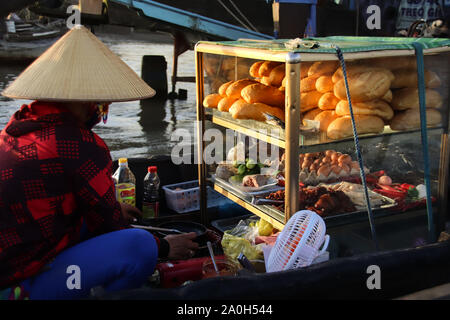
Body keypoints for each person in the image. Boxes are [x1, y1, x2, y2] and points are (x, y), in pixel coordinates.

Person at [0, 25, 199, 300]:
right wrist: (164, 247)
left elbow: (55, 196)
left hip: (15, 256)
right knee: (140, 245)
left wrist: (113, 207)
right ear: (92, 102)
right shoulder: (79, 145)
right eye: (103, 104)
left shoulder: (17, 127)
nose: (103, 110)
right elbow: (110, 227)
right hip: (16, 285)